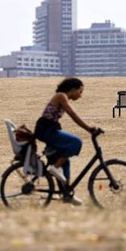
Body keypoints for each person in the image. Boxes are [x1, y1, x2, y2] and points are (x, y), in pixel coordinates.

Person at [34, 77, 96, 206]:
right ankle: (55, 168)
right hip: (46, 130)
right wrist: (89, 128)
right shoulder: (61, 96)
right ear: (73, 89)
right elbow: (73, 114)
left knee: (65, 162)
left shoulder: (63, 97)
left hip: (50, 130)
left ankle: (66, 194)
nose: (80, 95)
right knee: (76, 142)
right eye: (80, 92)